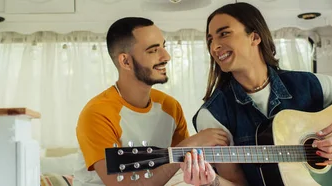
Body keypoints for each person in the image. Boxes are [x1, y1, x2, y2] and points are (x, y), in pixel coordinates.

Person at [180, 2, 332, 186]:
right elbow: (237, 182)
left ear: (255, 37)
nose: (215, 46)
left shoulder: (306, 83)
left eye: (224, 34)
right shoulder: (213, 114)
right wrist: (212, 182)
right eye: (210, 40)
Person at [74, 17, 231, 186]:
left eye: (163, 46)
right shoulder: (97, 114)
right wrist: (190, 143)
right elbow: (122, 184)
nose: (166, 56)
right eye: (153, 50)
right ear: (125, 61)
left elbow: (181, 167)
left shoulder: (170, 107)